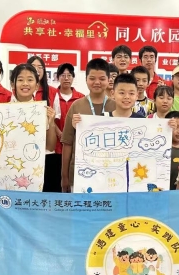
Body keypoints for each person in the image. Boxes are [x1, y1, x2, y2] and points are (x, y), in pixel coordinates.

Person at [61, 59, 116, 192]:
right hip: (80, 173)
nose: (97, 82)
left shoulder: (116, 106)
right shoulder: (77, 106)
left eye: (102, 78)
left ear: (108, 80)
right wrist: (64, 176)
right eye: (92, 78)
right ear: (86, 79)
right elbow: (67, 143)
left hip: (110, 175)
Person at [28, 56, 61, 192]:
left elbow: (56, 116)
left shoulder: (52, 92)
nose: (37, 70)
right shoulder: (19, 92)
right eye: (33, 66)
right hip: (27, 148)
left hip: (47, 148)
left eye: (40, 67)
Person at [54, 63, 84, 190]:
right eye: (63, 75)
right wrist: (59, 132)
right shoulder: (52, 96)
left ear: (73, 77)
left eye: (69, 75)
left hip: (74, 147)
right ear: (57, 77)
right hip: (55, 146)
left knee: (72, 183)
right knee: (56, 183)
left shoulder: (81, 98)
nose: (66, 78)